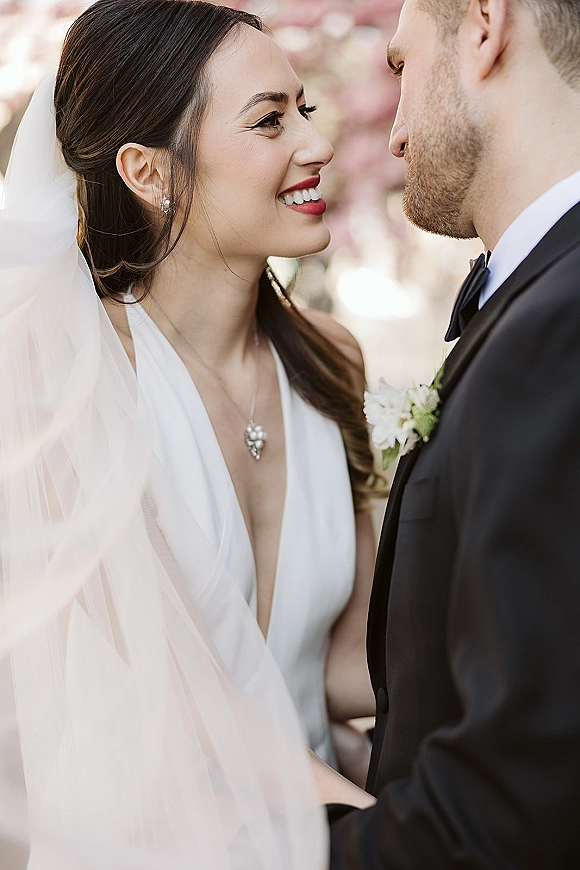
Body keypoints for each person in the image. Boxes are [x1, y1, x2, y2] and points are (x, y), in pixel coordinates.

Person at [0, 2, 376, 867]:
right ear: (148, 170)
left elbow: (344, 665)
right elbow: (183, 701)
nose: (313, 145)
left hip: (328, 829)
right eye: (269, 120)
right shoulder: (71, 378)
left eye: (306, 110)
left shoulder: (335, 364)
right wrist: (392, 831)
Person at [326, 0, 580, 865]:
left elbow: (514, 802)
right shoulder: (540, 297)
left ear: (482, 26)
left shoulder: (560, 324)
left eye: (402, 68)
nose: (393, 135)